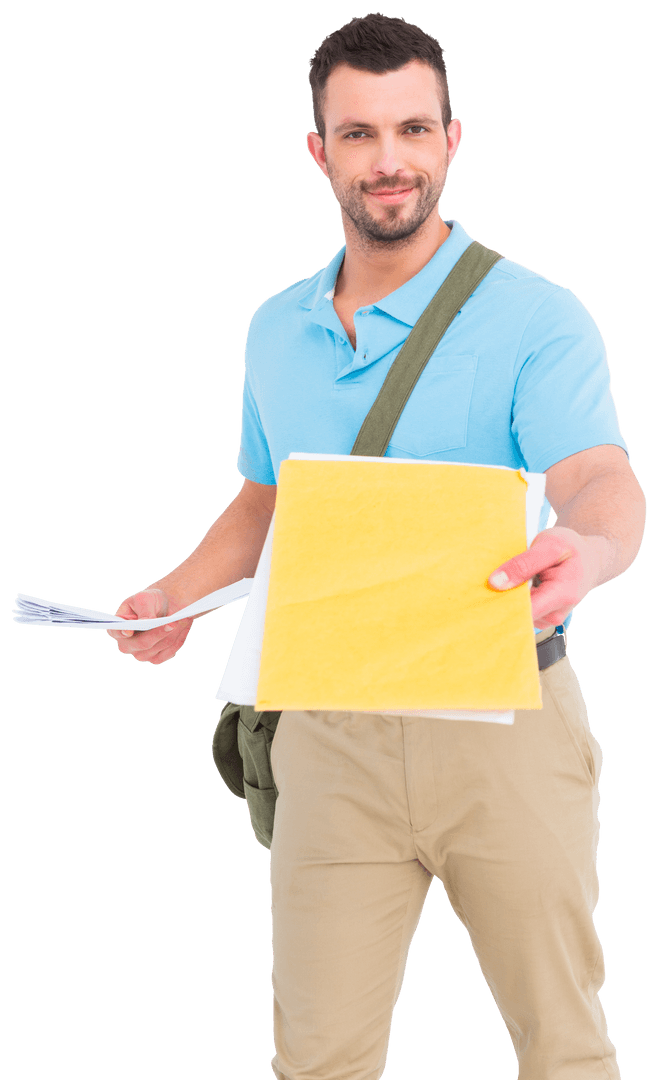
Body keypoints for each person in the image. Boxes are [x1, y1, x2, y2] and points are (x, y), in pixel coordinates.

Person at [107, 14, 645, 1080]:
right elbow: (266, 502)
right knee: (316, 1059)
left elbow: (596, 476)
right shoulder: (274, 328)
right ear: (320, 151)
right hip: (327, 736)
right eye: (357, 135)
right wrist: (172, 591)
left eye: (410, 129)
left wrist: (588, 550)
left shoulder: (536, 317)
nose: (387, 160)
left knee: (562, 1048)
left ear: (451, 139)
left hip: (505, 726)